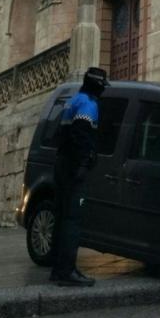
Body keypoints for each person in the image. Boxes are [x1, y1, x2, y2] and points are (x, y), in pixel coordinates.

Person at [50, 67, 109, 286]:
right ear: (97, 85)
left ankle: (58, 268)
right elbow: (81, 135)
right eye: (102, 86)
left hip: (62, 163)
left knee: (62, 216)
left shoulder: (73, 101)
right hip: (73, 167)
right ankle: (67, 271)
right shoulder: (88, 104)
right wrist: (84, 162)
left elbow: (63, 133)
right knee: (72, 220)